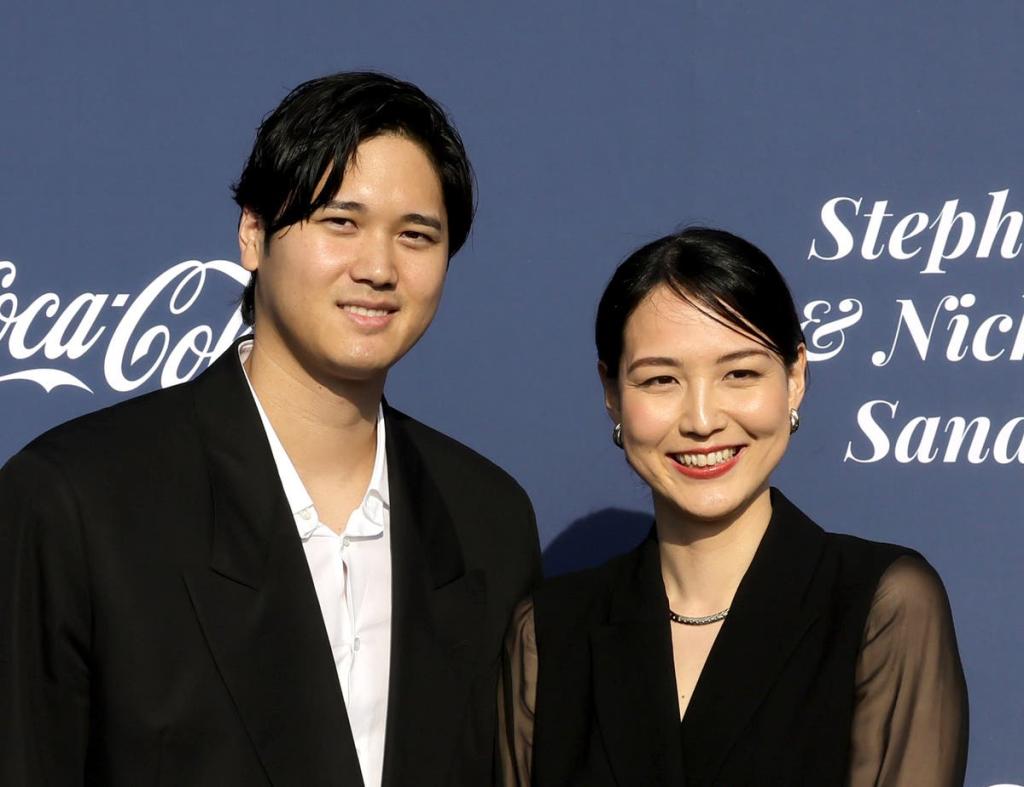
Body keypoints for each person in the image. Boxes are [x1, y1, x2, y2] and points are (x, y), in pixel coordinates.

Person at [0, 71, 541, 787]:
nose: (378, 267)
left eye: (416, 235)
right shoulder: (77, 499)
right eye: (340, 222)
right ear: (253, 234)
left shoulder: (485, 518)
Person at [498, 228, 968, 786]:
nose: (701, 419)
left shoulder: (881, 606)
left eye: (739, 374)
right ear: (611, 393)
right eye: (661, 379)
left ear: (794, 378)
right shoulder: (550, 635)